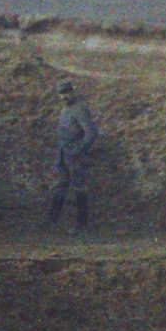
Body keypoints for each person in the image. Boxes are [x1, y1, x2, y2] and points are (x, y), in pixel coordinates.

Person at [48, 80, 100, 233]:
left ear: (73, 92)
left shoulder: (79, 109)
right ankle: (52, 221)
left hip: (75, 156)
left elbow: (91, 133)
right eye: (61, 94)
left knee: (79, 188)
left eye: (67, 93)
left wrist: (78, 150)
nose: (64, 97)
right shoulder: (66, 108)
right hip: (63, 154)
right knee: (61, 185)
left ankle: (81, 224)